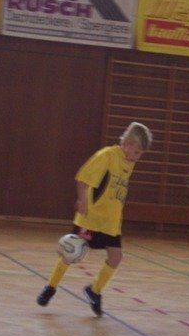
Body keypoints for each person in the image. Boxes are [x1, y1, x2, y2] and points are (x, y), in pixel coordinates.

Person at [36, 122, 153, 317]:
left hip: (111, 222)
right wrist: (82, 200)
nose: (138, 157)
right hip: (91, 219)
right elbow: (82, 178)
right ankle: (51, 287)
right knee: (70, 253)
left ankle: (94, 291)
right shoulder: (106, 156)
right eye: (137, 152)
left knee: (116, 257)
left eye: (140, 154)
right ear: (127, 144)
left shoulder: (129, 162)